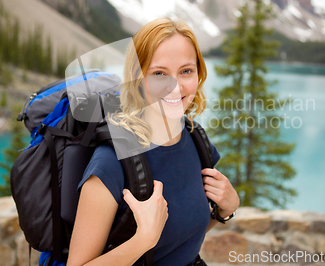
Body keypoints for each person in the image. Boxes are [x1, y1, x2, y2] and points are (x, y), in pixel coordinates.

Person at [66, 18, 240, 266]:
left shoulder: (196, 140)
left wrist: (225, 211)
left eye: (186, 71)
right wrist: (143, 240)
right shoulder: (111, 163)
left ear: (199, 75)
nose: (175, 86)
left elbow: (183, 235)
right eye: (159, 73)